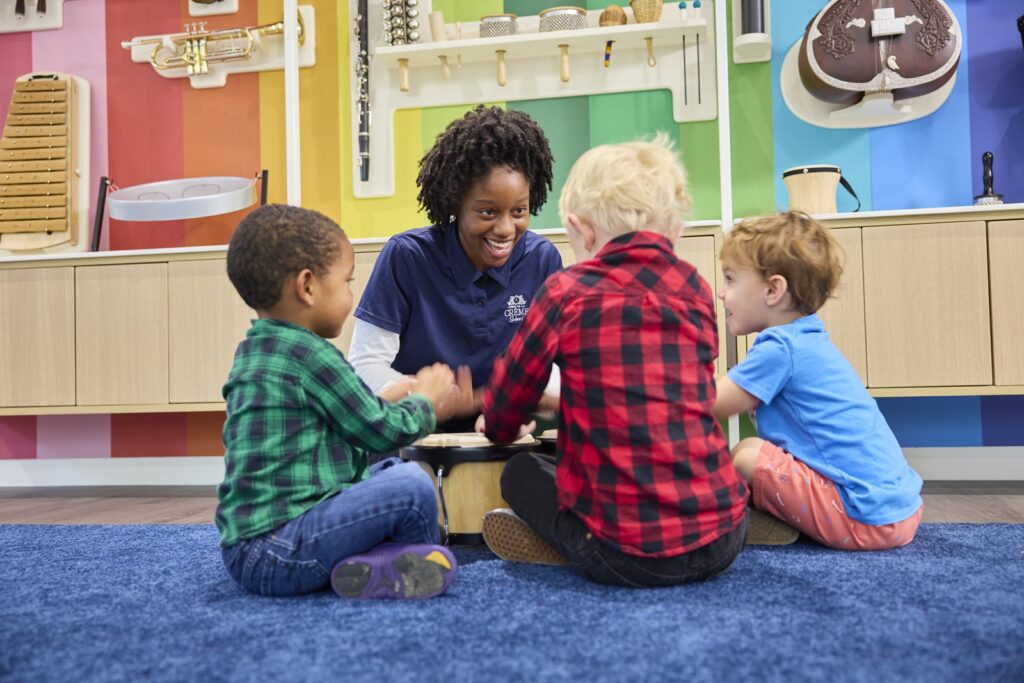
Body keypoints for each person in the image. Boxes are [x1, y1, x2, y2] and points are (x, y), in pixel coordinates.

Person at [477, 137, 749, 588]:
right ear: (675, 230)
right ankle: (729, 515)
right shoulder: (696, 290)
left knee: (523, 471)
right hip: (723, 537)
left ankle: (558, 544)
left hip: (624, 555)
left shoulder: (566, 290)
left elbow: (512, 390)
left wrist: (502, 426)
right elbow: (669, 396)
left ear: (580, 230)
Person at [216, 203, 458, 600]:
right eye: (347, 282)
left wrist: (384, 397)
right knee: (411, 482)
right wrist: (426, 401)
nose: (351, 294)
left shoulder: (256, 349)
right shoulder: (312, 356)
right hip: (281, 554)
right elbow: (382, 433)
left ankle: (371, 565)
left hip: (244, 551)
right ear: (308, 286)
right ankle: (409, 560)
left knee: (387, 472)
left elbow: (328, 426)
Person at [712, 211, 923, 550]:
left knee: (743, 458)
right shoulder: (806, 337)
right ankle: (770, 518)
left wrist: (668, 382)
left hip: (864, 517)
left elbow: (716, 402)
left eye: (730, 279)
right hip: (898, 511)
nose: (722, 293)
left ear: (772, 289)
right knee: (753, 450)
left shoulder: (780, 347)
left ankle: (729, 523)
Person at [349, 105, 563, 429]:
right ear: (454, 204)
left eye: (519, 211)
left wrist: (507, 403)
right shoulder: (406, 257)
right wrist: (427, 396)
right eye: (488, 212)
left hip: (507, 436)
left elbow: (557, 365)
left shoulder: (542, 259)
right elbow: (365, 365)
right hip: (416, 439)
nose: (506, 229)